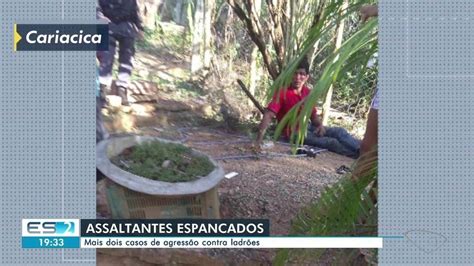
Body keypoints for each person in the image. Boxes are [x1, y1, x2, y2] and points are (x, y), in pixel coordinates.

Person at [255, 59, 360, 158]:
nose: (297, 77)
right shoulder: (282, 92)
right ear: (290, 75)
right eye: (295, 73)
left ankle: (362, 150)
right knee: (331, 142)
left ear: (306, 77)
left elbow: (313, 116)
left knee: (339, 131)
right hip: (292, 134)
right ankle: (358, 156)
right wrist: (258, 140)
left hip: (308, 128)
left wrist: (320, 126)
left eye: (301, 74)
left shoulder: (308, 92)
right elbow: (269, 114)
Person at [97, 0, 144, 106]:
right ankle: (102, 90)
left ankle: (122, 89)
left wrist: (140, 27)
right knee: (106, 57)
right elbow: (95, 7)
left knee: (127, 59)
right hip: (108, 25)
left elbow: (134, 10)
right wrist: (100, 18)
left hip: (127, 27)